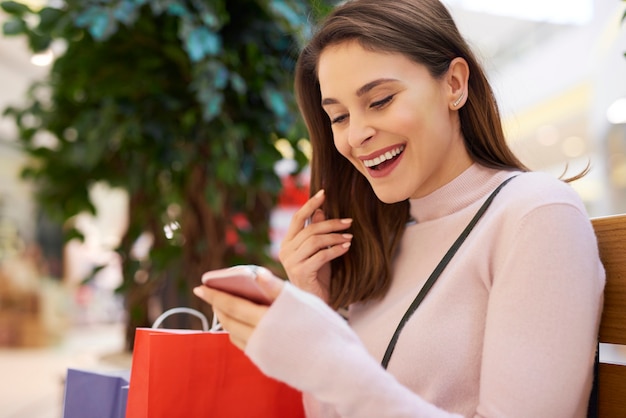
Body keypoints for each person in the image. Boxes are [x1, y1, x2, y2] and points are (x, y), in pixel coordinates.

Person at [193, 0, 605, 416]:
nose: (356, 135)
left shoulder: (537, 215)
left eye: (380, 100)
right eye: (337, 117)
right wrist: (318, 303)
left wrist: (325, 359)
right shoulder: (379, 244)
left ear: (454, 85)